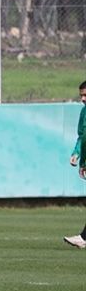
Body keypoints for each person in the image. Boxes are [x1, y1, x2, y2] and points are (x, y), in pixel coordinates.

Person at [64, 80, 86, 248]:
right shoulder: (83, 113)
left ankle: (84, 238)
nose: (83, 99)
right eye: (81, 96)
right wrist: (77, 154)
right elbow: (82, 136)